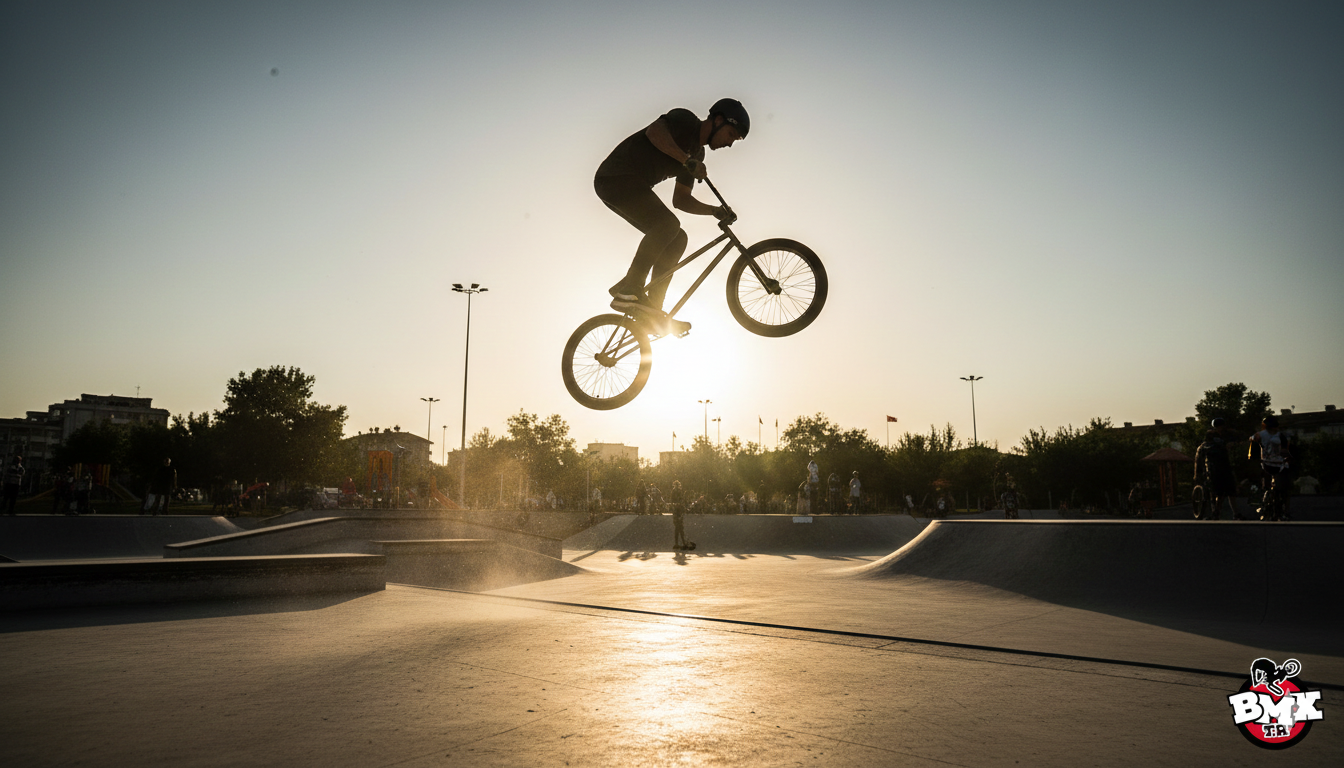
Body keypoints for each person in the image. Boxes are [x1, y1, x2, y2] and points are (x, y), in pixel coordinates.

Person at [596, 99, 749, 337]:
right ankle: (629, 287)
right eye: (731, 134)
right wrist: (685, 160)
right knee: (667, 224)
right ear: (718, 120)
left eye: (734, 140)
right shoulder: (685, 120)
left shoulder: (698, 153)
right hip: (615, 177)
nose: (729, 143)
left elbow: (681, 200)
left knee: (678, 237)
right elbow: (654, 132)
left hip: (631, 185)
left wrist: (714, 210)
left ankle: (653, 309)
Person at [1193, 418, 1238, 520]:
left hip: (1222, 467)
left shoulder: (1226, 435)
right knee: (1220, 493)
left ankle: (1230, 513)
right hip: (1215, 468)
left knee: (1227, 492)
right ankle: (1217, 512)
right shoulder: (1210, 440)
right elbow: (1200, 457)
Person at [1250, 415, 1292, 521]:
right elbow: (1253, 441)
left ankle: (1284, 510)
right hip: (1269, 464)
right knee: (1271, 487)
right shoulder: (1263, 435)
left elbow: (1286, 449)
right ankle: (1267, 503)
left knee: (1283, 489)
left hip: (1277, 464)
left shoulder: (1280, 436)